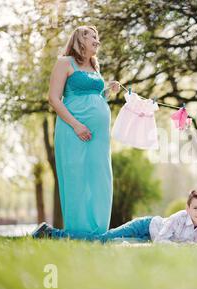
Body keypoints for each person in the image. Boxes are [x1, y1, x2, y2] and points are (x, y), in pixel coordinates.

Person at [48, 26, 120, 236]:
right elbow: (54, 98)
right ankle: (78, 231)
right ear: (80, 40)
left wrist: (107, 90)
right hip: (72, 130)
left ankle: (98, 231)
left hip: (98, 136)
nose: (97, 40)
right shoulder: (64, 62)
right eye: (92, 37)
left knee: (100, 177)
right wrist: (76, 125)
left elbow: (94, 98)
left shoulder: (94, 66)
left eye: (98, 37)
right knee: (76, 177)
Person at [32, 189, 197, 244]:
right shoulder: (179, 218)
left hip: (147, 239)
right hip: (144, 227)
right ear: (187, 209)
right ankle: (50, 232)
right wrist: (183, 248)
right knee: (102, 240)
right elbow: (161, 240)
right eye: (195, 208)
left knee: (116, 247)